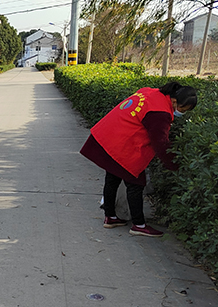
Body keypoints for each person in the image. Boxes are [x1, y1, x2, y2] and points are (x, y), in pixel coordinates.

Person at [80, 81, 197, 237]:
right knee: (135, 183)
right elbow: (160, 143)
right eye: (183, 109)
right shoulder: (160, 112)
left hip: (110, 135)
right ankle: (139, 225)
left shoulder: (150, 92)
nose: (181, 112)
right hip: (122, 144)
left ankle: (110, 217)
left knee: (112, 177)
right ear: (174, 101)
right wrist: (174, 165)